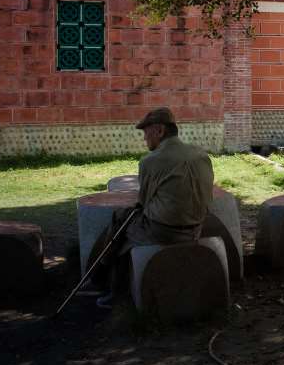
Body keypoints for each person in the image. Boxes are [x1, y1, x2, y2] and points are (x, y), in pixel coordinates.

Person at [81, 107, 215, 307]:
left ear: (159, 131)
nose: (144, 138)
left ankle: (111, 287)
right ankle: (101, 276)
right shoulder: (200, 154)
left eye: (146, 132)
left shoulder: (151, 161)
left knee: (121, 228)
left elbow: (143, 202)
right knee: (125, 218)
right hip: (197, 226)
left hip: (167, 232)